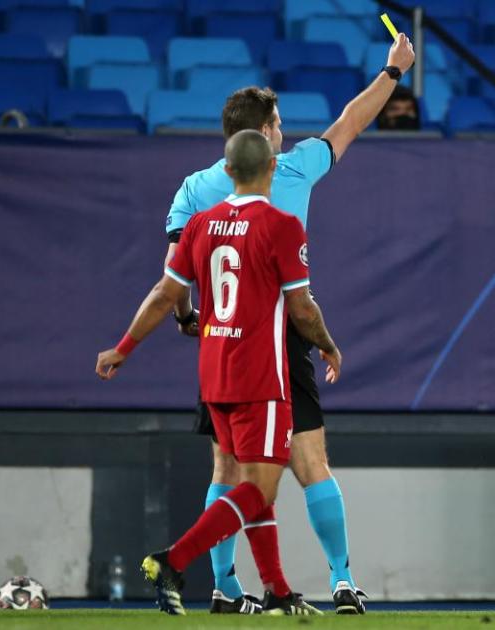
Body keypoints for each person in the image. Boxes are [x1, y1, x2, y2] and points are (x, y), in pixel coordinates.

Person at [163, 33, 415, 615]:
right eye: (278, 123)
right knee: (309, 462)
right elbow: (351, 122)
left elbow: (172, 275)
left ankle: (226, 589)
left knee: (227, 466)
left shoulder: (194, 190)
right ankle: (343, 580)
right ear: (264, 133)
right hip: (281, 336)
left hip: (222, 342)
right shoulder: (293, 170)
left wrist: (188, 320)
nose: (284, 130)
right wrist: (393, 71)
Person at [96, 129, 341, 616]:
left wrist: (123, 347)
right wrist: (329, 347)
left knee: (250, 482)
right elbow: (302, 309)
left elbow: (167, 295)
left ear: (227, 170)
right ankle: (173, 560)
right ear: (272, 167)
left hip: (214, 375)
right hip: (261, 376)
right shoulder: (283, 226)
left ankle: (276, 591)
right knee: (260, 488)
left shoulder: (201, 224)